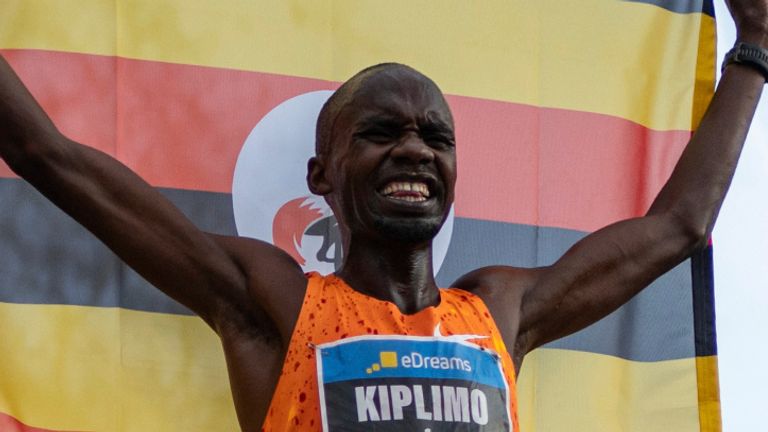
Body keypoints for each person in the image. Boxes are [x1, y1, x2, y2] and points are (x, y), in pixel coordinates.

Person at [1, 1, 765, 430]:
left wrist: (755, 47)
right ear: (320, 176)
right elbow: (48, 156)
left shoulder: (499, 310)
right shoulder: (276, 302)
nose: (413, 150)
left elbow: (678, 228)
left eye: (436, 136)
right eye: (380, 132)